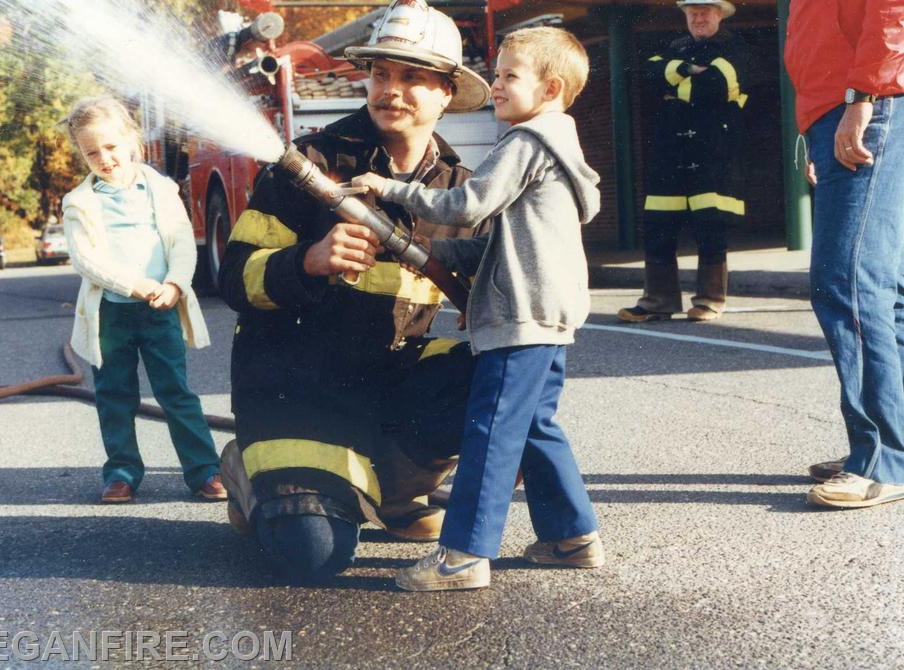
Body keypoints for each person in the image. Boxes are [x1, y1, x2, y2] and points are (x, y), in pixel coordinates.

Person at [216, 0, 491, 583]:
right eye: (382, 73)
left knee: (505, 376)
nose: (390, 90)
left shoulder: (462, 193)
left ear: (447, 92)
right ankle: (249, 468)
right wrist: (307, 261)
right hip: (298, 395)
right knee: (313, 555)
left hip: (388, 389)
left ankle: (393, 493)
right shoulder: (309, 165)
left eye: (412, 76)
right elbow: (233, 278)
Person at [353, 26, 603, 591]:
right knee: (535, 424)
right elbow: (499, 241)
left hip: (520, 315)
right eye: (496, 73)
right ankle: (572, 535)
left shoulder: (524, 142)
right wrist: (430, 252)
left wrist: (389, 188)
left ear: (551, 87)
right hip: (551, 313)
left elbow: (468, 206)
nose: (495, 84)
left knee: (490, 429)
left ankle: (463, 555)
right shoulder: (560, 144)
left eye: (509, 75)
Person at [61, 95, 226, 504]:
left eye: (112, 147)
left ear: (131, 139)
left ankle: (204, 470)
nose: (105, 158)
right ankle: (121, 472)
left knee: (177, 392)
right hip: (112, 316)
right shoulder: (80, 202)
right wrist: (134, 285)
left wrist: (174, 284)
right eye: (92, 152)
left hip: (160, 310)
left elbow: (182, 243)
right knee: (114, 394)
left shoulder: (159, 189)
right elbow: (87, 260)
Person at [785, 1, 904, 508]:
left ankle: (882, 457)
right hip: (845, 103)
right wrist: (817, 123)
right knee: (882, 288)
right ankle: (890, 445)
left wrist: (860, 98)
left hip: (868, 100)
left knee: (848, 280)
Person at [618, 0, 753, 323]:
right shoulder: (675, 46)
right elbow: (647, 72)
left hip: (712, 151)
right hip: (670, 150)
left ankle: (709, 299)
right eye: (692, 12)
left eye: (705, 11)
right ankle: (657, 301)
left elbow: (718, 85)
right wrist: (686, 71)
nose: (698, 17)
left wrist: (673, 78)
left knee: (711, 225)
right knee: (659, 226)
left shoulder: (735, 47)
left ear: (720, 14)